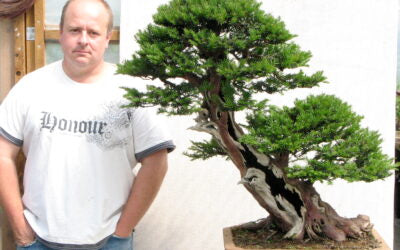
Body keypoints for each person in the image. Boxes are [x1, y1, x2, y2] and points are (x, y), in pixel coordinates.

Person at [0, 0, 175, 249]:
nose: (83, 40)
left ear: (107, 38)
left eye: (93, 32)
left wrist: (123, 231)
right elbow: (2, 154)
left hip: (109, 241)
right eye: (74, 30)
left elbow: (156, 161)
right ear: (61, 33)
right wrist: (21, 231)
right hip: (37, 241)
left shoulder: (132, 92)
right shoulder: (31, 87)